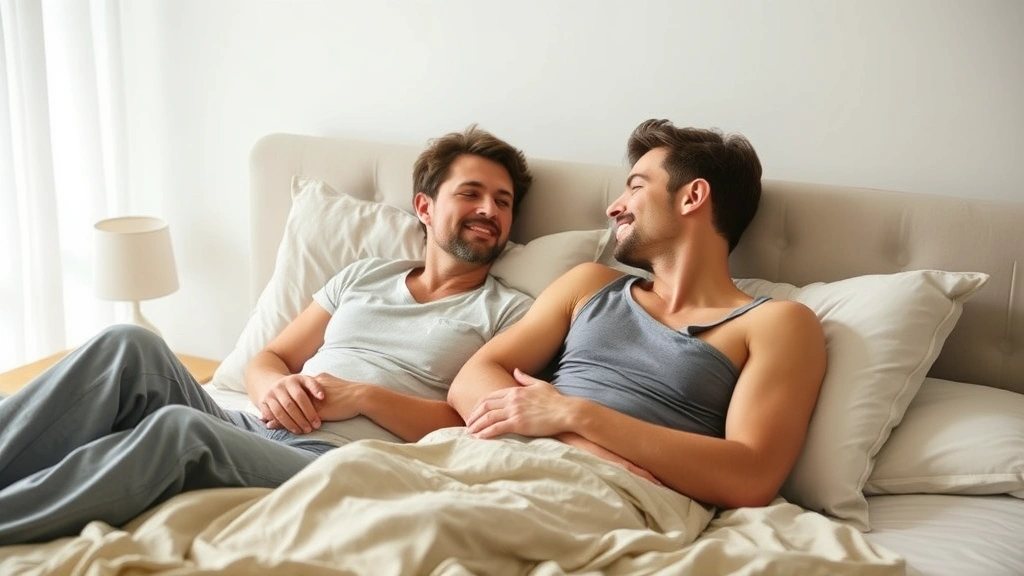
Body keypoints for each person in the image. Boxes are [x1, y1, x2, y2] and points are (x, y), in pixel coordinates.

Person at [0, 125, 534, 545]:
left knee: (179, 430)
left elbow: (477, 424)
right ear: (425, 206)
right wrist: (272, 388)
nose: (489, 210)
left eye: (504, 201)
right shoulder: (363, 275)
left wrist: (363, 397)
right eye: (472, 193)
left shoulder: (510, 312)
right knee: (130, 345)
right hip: (255, 426)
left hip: (335, 462)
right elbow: (272, 356)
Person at [448, 119, 827, 509]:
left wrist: (577, 414)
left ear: (692, 196)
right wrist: (573, 438)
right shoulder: (588, 284)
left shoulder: (776, 323)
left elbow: (751, 477)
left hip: (604, 498)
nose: (615, 207)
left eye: (636, 187)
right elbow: (471, 379)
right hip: (495, 459)